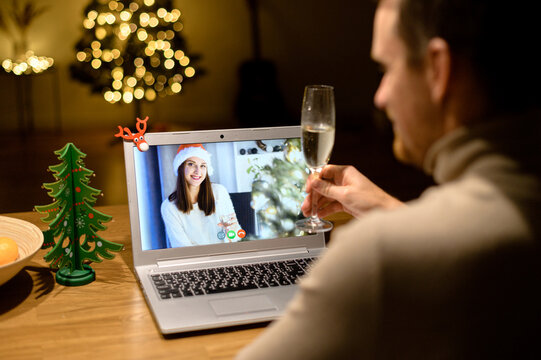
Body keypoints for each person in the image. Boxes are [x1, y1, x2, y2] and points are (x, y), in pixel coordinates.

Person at [237, 0, 541, 358]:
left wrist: (384, 240)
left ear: (437, 69)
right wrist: (389, 209)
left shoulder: (379, 258)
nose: (380, 97)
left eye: (386, 69)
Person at [161, 144, 242, 247]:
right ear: (181, 167)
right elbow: (182, 250)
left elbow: (236, 236)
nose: (197, 171)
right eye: (191, 164)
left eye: (203, 165)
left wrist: (230, 233)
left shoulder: (219, 192)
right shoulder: (169, 207)